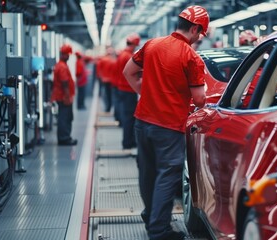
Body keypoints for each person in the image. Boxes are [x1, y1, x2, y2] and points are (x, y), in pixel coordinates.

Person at [122, 5, 208, 240]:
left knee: (147, 173)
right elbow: (200, 99)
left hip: (142, 121)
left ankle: (151, 216)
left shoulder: (152, 45)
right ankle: (159, 231)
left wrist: (146, 92)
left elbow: (128, 72)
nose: (199, 38)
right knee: (167, 176)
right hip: (168, 126)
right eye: (200, 33)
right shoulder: (191, 56)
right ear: (194, 28)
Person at [115, 33, 141, 149]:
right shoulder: (128, 57)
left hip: (122, 88)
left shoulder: (122, 55)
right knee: (129, 117)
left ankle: (129, 140)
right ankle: (128, 142)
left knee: (127, 116)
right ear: (135, 44)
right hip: (128, 89)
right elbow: (132, 72)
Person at [51, 44, 77, 146]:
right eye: (67, 54)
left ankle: (65, 137)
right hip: (63, 96)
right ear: (64, 55)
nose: (69, 56)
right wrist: (67, 96)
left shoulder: (61, 65)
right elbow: (64, 82)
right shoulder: (62, 66)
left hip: (61, 95)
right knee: (65, 118)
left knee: (65, 117)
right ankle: (64, 138)